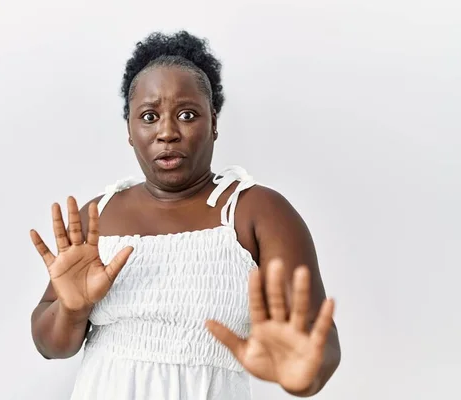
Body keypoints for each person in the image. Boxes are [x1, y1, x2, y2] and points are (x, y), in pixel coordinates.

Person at [29, 30, 341, 399]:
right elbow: (52, 346)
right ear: (130, 130)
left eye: (187, 114)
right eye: (148, 116)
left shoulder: (257, 212)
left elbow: (317, 343)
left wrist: (303, 370)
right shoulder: (99, 217)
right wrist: (72, 308)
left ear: (213, 123)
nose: (167, 132)